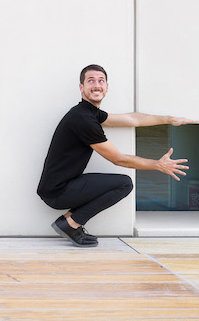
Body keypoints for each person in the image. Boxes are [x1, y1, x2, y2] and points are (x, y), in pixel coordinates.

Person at [38, 64, 190, 246]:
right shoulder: (83, 119)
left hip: (61, 186)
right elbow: (118, 159)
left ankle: (69, 221)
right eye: (91, 81)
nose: (97, 85)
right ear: (81, 87)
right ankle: (71, 224)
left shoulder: (90, 113)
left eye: (101, 81)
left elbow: (132, 119)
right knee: (124, 184)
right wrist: (158, 165)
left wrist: (168, 119)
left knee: (120, 183)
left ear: (107, 87)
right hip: (58, 191)